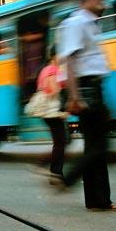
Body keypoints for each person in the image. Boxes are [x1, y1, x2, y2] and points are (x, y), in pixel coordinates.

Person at [56, 0, 116, 211]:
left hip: (94, 87)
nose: (103, 4)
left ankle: (98, 201)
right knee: (102, 145)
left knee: (94, 146)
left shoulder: (91, 24)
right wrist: (74, 96)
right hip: (88, 89)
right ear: (87, 0)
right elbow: (69, 60)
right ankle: (67, 178)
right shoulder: (77, 22)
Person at [32, 45, 68, 180]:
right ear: (53, 56)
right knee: (61, 142)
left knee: (61, 141)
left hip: (47, 111)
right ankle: (53, 171)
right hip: (52, 110)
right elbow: (53, 90)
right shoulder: (53, 69)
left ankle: (54, 171)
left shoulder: (44, 69)